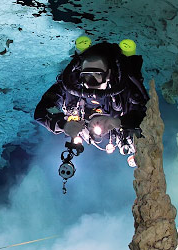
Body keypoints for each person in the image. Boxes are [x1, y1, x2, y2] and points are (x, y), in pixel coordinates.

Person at [33, 36, 147, 166]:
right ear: (80, 73)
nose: (91, 81)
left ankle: (123, 53)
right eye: (86, 75)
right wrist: (63, 124)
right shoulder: (71, 85)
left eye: (97, 74)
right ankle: (84, 50)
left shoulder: (122, 86)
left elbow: (143, 113)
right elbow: (42, 111)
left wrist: (118, 121)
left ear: (108, 74)